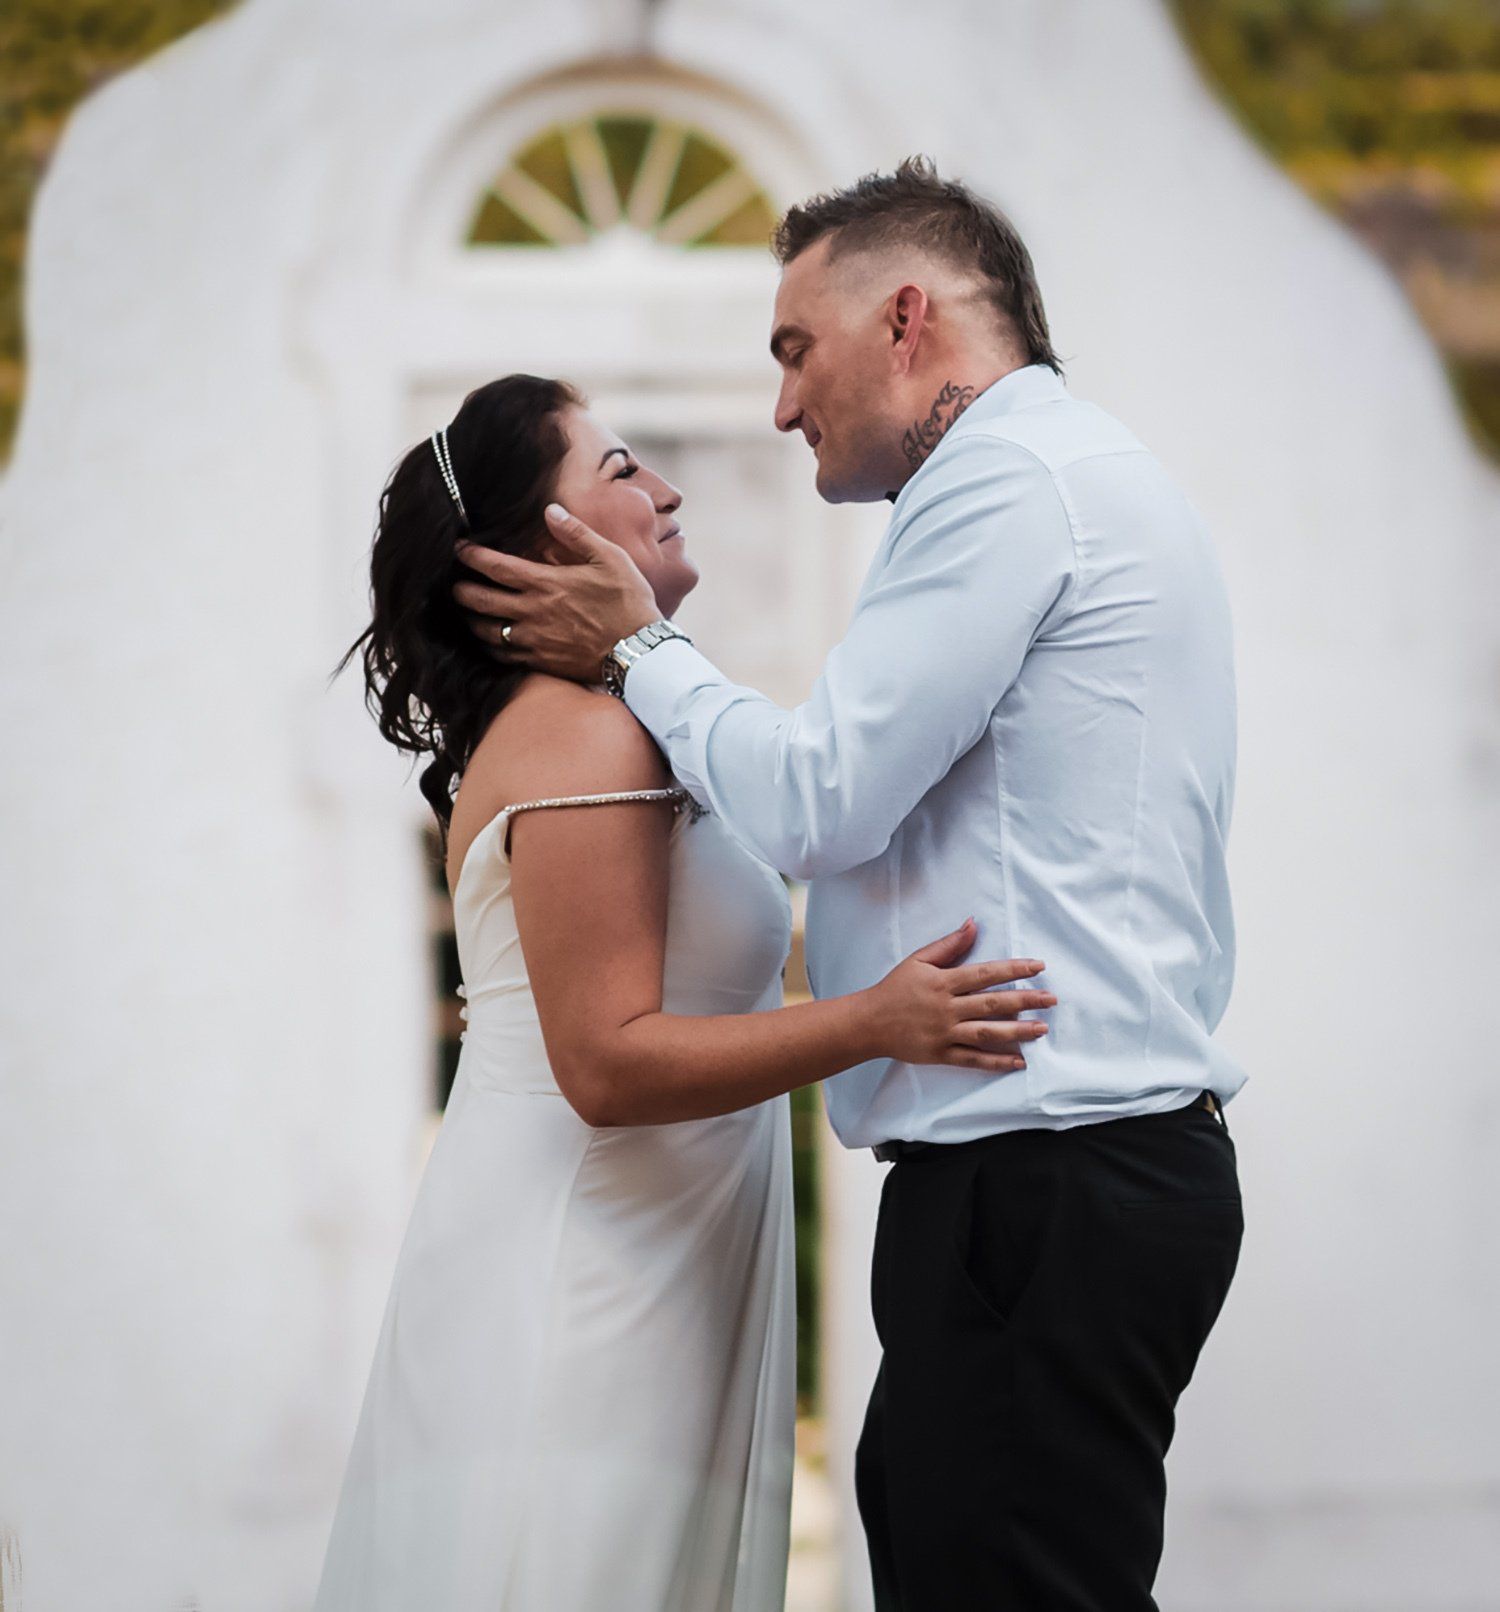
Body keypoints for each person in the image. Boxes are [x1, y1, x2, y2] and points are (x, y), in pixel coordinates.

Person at [452, 157, 1247, 1611]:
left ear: (905, 320)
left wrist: (641, 650)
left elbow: (820, 797)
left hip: (1043, 1176)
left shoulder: (1006, 483)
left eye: (792, 350)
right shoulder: (1080, 473)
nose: (777, 406)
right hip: (1078, 1172)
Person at [311, 372, 1056, 1612]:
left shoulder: (621, 713)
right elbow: (605, 1064)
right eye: (617, 474)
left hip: (657, 1254)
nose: (665, 489)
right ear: (528, 552)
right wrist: (877, 1021)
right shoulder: (577, 733)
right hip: (585, 1273)